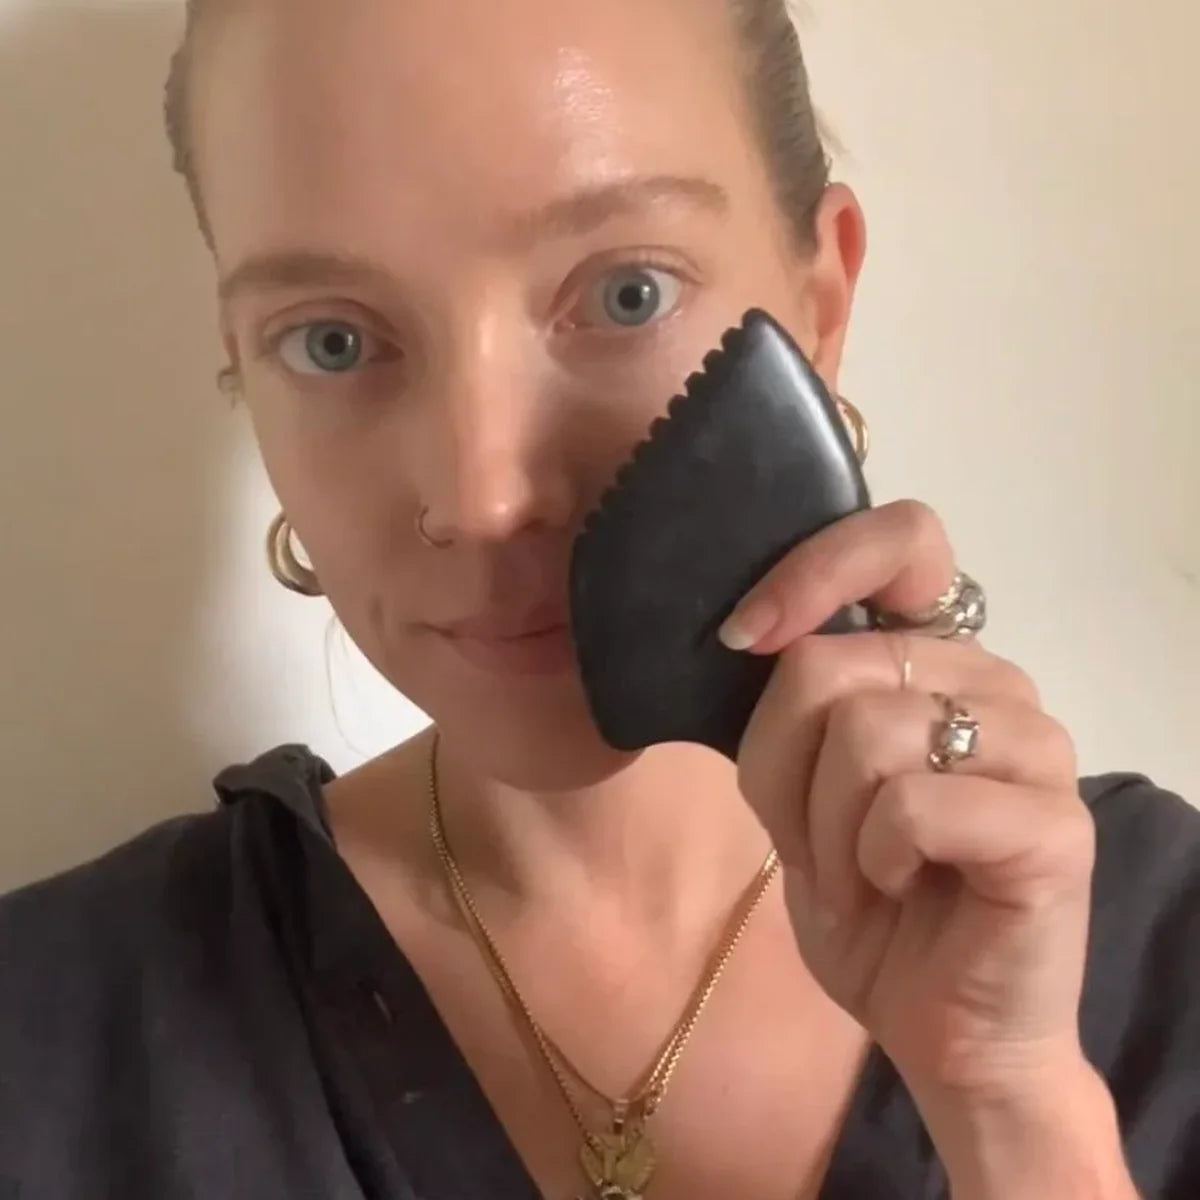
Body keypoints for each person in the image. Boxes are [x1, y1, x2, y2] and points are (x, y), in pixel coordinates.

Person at [1, 0, 1197, 1196]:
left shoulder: (1165, 958)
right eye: (330, 342)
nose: (480, 496)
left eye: (627, 292)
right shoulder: (50, 1032)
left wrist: (1015, 1104)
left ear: (819, 303)